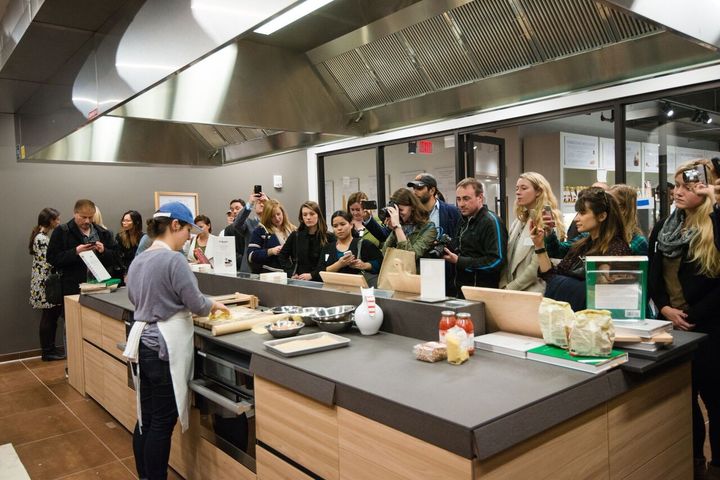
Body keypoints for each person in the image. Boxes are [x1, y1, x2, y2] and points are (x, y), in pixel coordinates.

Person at [124, 202, 229, 480]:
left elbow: (134, 297)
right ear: (174, 225)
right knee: (161, 423)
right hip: (163, 347)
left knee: (145, 419)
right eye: (186, 231)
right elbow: (196, 303)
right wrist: (213, 304)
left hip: (143, 344)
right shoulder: (174, 260)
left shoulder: (139, 259)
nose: (188, 238)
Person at [646, 160, 720, 478]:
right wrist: (664, 308)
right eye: (676, 186)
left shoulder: (714, 225)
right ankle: (694, 461)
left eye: (687, 187)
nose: (677, 192)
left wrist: (691, 314)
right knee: (684, 400)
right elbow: (653, 273)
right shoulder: (666, 227)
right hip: (673, 327)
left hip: (709, 327)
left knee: (715, 400)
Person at [533, 187, 631, 311]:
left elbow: (603, 296)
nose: (576, 219)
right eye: (577, 213)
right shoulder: (581, 245)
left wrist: (566, 283)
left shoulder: (618, 250)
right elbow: (551, 277)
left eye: (582, 213)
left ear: (602, 216)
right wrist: (539, 246)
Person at [500, 172, 564, 293]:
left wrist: (510, 288)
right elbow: (507, 257)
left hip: (533, 291)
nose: (518, 192)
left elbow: (536, 266)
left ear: (538, 191)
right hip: (511, 290)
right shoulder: (518, 221)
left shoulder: (548, 220)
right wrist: (503, 283)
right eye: (517, 188)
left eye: (524, 188)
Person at [443, 178, 508, 295]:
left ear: (480, 198)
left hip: (482, 292)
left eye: (466, 199)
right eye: (458, 199)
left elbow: (496, 261)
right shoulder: (464, 220)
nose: (461, 204)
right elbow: (465, 250)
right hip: (461, 289)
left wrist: (459, 261)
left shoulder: (491, 222)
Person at [47, 199, 117, 296]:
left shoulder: (103, 233)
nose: (87, 221)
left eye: (90, 217)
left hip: (100, 288)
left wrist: (104, 251)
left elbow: (115, 258)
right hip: (72, 289)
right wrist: (75, 252)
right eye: (83, 217)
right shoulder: (62, 232)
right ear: (75, 214)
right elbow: (52, 258)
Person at [407, 173, 461, 294]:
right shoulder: (411, 213)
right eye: (414, 188)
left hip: (445, 269)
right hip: (419, 269)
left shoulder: (451, 211)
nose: (415, 192)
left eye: (419, 188)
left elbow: (458, 238)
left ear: (432, 190)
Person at [29, 207, 65, 361]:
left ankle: (50, 349)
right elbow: (49, 261)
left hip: (42, 282)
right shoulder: (42, 239)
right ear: (50, 221)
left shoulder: (40, 236)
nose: (59, 222)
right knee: (49, 317)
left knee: (50, 316)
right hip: (46, 283)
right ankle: (48, 351)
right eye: (57, 219)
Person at [316, 210, 383, 280]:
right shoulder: (327, 248)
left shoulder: (364, 244)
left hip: (358, 286)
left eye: (343, 224)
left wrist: (364, 265)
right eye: (335, 226)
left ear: (351, 225)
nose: (339, 228)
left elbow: (381, 263)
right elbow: (319, 272)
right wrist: (339, 264)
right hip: (332, 285)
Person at [279, 201, 333, 280]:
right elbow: (282, 256)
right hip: (300, 280)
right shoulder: (295, 235)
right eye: (305, 215)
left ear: (318, 215)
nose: (308, 217)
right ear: (301, 217)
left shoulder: (329, 237)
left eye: (312, 214)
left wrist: (312, 275)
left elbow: (330, 263)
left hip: (322, 280)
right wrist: (291, 272)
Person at [381, 188, 437, 262]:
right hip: (396, 268)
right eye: (396, 211)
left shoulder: (429, 229)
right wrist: (394, 231)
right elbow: (385, 253)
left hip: (417, 269)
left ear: (412, 207)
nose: (397, 214)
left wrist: (398, 228)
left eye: (401, 210)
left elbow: (409, 257)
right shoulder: (400, 226)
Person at [247, 199, 296, 274]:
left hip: (292, 274)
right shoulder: (260, 231)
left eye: (278, 214)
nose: (277, 218)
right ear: (267, 217)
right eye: (272, 216)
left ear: (283, 213)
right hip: (270, 275)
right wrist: (271, 251)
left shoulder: (293, 229)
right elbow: (251, 256)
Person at [224, 192, 267, 273]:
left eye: (264, 203)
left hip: (268, 269)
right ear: (254, 207)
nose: (261, 204)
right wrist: (250, 203)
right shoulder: (249, 223)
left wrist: (269, 203)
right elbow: (237, 224)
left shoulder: (274, 225)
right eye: (259, 202)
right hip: (249, 269)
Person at [608, 184, 648, 255]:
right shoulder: (603, 234)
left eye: (611, 203)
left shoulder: (638, 242)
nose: (606, 207)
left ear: (624, 209)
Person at [115, 210, 143, 280]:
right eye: (123, 220)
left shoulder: (143, 237)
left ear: (136, 222)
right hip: (123, 272)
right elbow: (118, 257)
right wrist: (125, 273)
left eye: (128, 221)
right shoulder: (119, 237)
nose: (124, 223)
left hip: (139, 271)